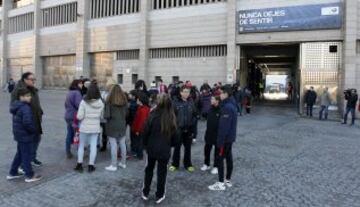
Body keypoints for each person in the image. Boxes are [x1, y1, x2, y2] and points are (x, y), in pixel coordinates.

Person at [142, 94, 180, 204]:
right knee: (161, 172)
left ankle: (145, 192)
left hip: (152, 149)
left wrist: (145, 145)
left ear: (158, 103)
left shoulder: (152, 115)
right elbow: (176, 136)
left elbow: (145, 132)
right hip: (164, 150)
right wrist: (171, 145)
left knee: (149, 170)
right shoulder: (171, 117)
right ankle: (159, 194)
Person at [7, 88, 42, 183]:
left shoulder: (17, 106)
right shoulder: (25, 107)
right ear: (21, 97)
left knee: (20, 154)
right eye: (27, 96)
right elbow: (27, 123)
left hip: (19, 134)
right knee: (26, 155)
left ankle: (13, 172)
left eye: (30, 95)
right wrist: (34, 131)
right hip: (25, 135)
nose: (30, 97)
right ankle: (29, 175)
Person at [11, 72, 43, 167]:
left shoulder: (32, 89)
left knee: (36, 139)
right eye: (32, 79)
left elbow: (36, 103)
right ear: (25, 79)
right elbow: (14, 106)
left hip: (35, 119)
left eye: (34, 79)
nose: (34, 81)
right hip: (26, 122)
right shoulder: (18, 90)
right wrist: (24, 118)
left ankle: (31, 158)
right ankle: (22, 165)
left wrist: (40, 111)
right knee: (25, 145)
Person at [209, 85, 238, 191]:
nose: (219, 95)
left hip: (225, 139)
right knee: (229, 158)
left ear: (226, 94)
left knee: (220, 159)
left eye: (220, 93)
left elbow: (224, 127)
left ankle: (221, 183)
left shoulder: (227, 107)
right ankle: (228, 179)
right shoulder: (231, 104)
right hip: (230, 138)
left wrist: (219, 141)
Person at [74, 83, 104, 173]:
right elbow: (101, 116)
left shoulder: (83, 102)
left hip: (84, 127)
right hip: (95, 127)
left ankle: (79, 164)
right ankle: (91, 165)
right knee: (93, 145)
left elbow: (79, 116)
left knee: (81, 145)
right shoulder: (101, 103)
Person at [169, 86, 197, 173]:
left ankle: (188, 164)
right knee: (177, 148)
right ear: (181, 93)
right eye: (185, 92)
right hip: (178, 129)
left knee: (188, 148)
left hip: (188, 129)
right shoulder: (175, 102)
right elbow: (171, 116)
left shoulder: (191, 102)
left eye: (188, 92)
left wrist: (193, 126)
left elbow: (195, 115)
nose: (186, 93)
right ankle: (175, 164)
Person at [104, 85, 128, 171]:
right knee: (122, 143)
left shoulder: (109, 101)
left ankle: (114, 165)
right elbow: (126, 114)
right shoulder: (125, 101)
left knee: (113, 145)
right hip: (122, 124)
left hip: (112, 124)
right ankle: (123, 163)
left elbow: (106, 115)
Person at [201, 95, 221, 175]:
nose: (211, 100)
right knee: (207, 149)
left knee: (217, 151)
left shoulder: (221, 110)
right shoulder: (210, 108)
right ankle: (206, 164)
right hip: (209, 133)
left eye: (212, 99)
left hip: (217, 134)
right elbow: (205, 115)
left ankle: (216, 166)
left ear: (217, 101)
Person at [64, 80, 83, 159]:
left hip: (68, 115)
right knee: (77, 134)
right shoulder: (77, 93)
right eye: (81, 83)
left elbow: (65, 104)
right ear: (77, 84)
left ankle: (68, 151)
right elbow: (79, 105)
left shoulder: (69, 92)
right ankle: (79, 151)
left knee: (69, 133)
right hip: (75, 117)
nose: (82, 85)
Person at [131, 92, 150, 160]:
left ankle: (140, 155)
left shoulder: (143, 109)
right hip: (139, 129)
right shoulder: (141, 107)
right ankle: (139, 154)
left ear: (141, 100)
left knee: (140, 143)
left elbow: (141, 122)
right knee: (139, 142)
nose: (137, 101)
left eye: (138, 100)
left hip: (141, 130)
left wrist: (137, 131)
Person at [100, 80, 116, 152]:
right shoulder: (103, 93)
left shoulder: (115, 94)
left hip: (112, 116)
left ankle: (113, 145)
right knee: (104, 132)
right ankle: (104, 145)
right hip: (104, 115)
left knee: (111, 132)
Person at [127, 90, 138, 156]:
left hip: (133, 122)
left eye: (130, 94)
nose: (129, 95)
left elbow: (133, 114)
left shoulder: (133, 104)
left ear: (134, 96)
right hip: (132, 122)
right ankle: (133, 149)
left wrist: (129, 107)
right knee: (132, 136)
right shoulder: (131, 102)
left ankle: (134, 150)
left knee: (134, 136)